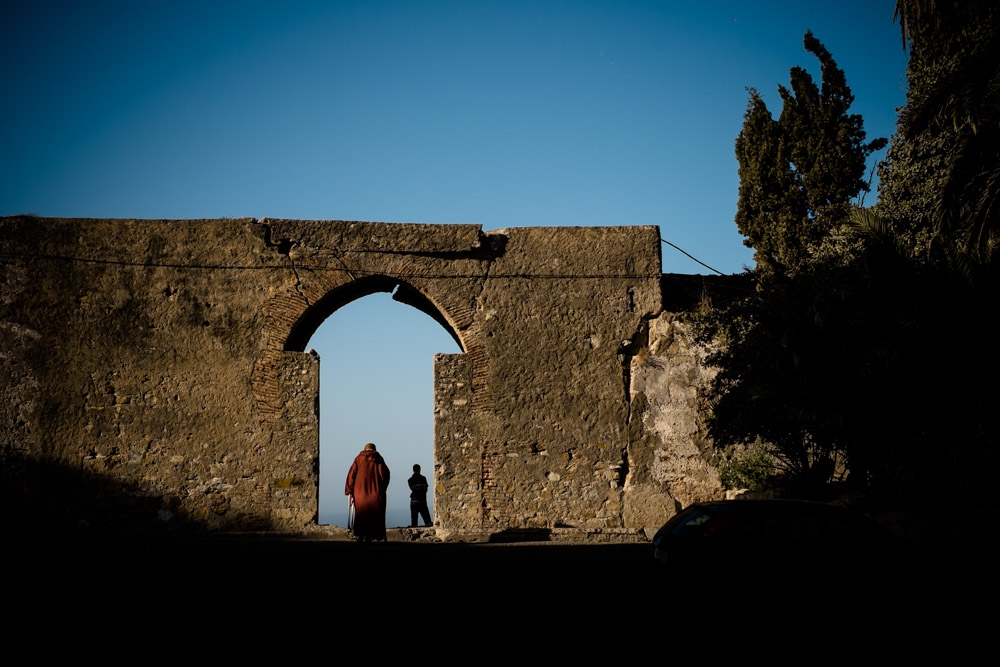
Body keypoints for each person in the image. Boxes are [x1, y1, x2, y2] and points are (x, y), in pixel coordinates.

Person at [345, 443, 390, 541]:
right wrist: (382, 488)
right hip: (376, 493)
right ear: (374, 449)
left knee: (361, 513)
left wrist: (349, 489)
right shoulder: (379, 459)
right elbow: (386, 474)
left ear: (365, 449)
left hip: (360, 493)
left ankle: (361, 535)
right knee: (377, 514)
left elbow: (351, 475)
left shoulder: (358, 459)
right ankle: (377, 535)